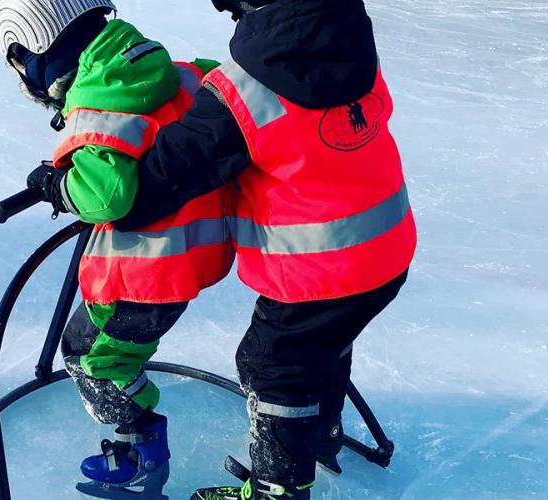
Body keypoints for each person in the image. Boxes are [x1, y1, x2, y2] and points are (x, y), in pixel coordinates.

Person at [111, 0, 418, 498]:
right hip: (387, 248)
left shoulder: (241, 93)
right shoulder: (349, 42)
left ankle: (280, 488)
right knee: (323, 342)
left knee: (273, 366)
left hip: (318, 271)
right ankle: (320, 432)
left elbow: (163, 179)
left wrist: (79, 190)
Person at [0, 1, 234, 497]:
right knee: (115, 348)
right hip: (198, 253)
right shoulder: (175, 73)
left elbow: (105, 195)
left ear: (36, 55)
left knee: (91, 359)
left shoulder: (96, 103)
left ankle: (140, 454)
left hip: (144, 275)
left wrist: (62, 187)